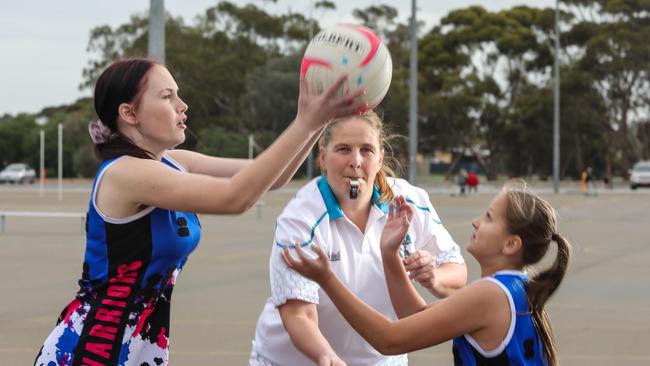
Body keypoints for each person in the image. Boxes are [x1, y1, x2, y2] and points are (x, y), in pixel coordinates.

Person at [33, 57, 365, 366]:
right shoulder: (126, 173)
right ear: (129, 114)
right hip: (93, 347)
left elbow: (272, 178)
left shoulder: (173, 163)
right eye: (167, 96)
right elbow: (235, 198)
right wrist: (305, 122)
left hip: (140, 347)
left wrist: (316, 122)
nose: (182, 106)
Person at [250, 111, 467, 366]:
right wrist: (327, 356)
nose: (355, 161)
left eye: (367, 150)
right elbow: (299, 314)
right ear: (322, 157)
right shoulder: (301, 219)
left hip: (382, 360)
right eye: (343, 149)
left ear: (380, 157)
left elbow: (457, 271)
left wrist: (434, 278)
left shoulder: (408, 202)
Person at [283, 182, 571, 366]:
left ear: (511, 244)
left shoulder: (489, 295)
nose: (475, 221)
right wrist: (389, 254)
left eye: (488, 218)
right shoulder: (513, 288)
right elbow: (414, 315)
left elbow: (390, 339)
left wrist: (327, 279)